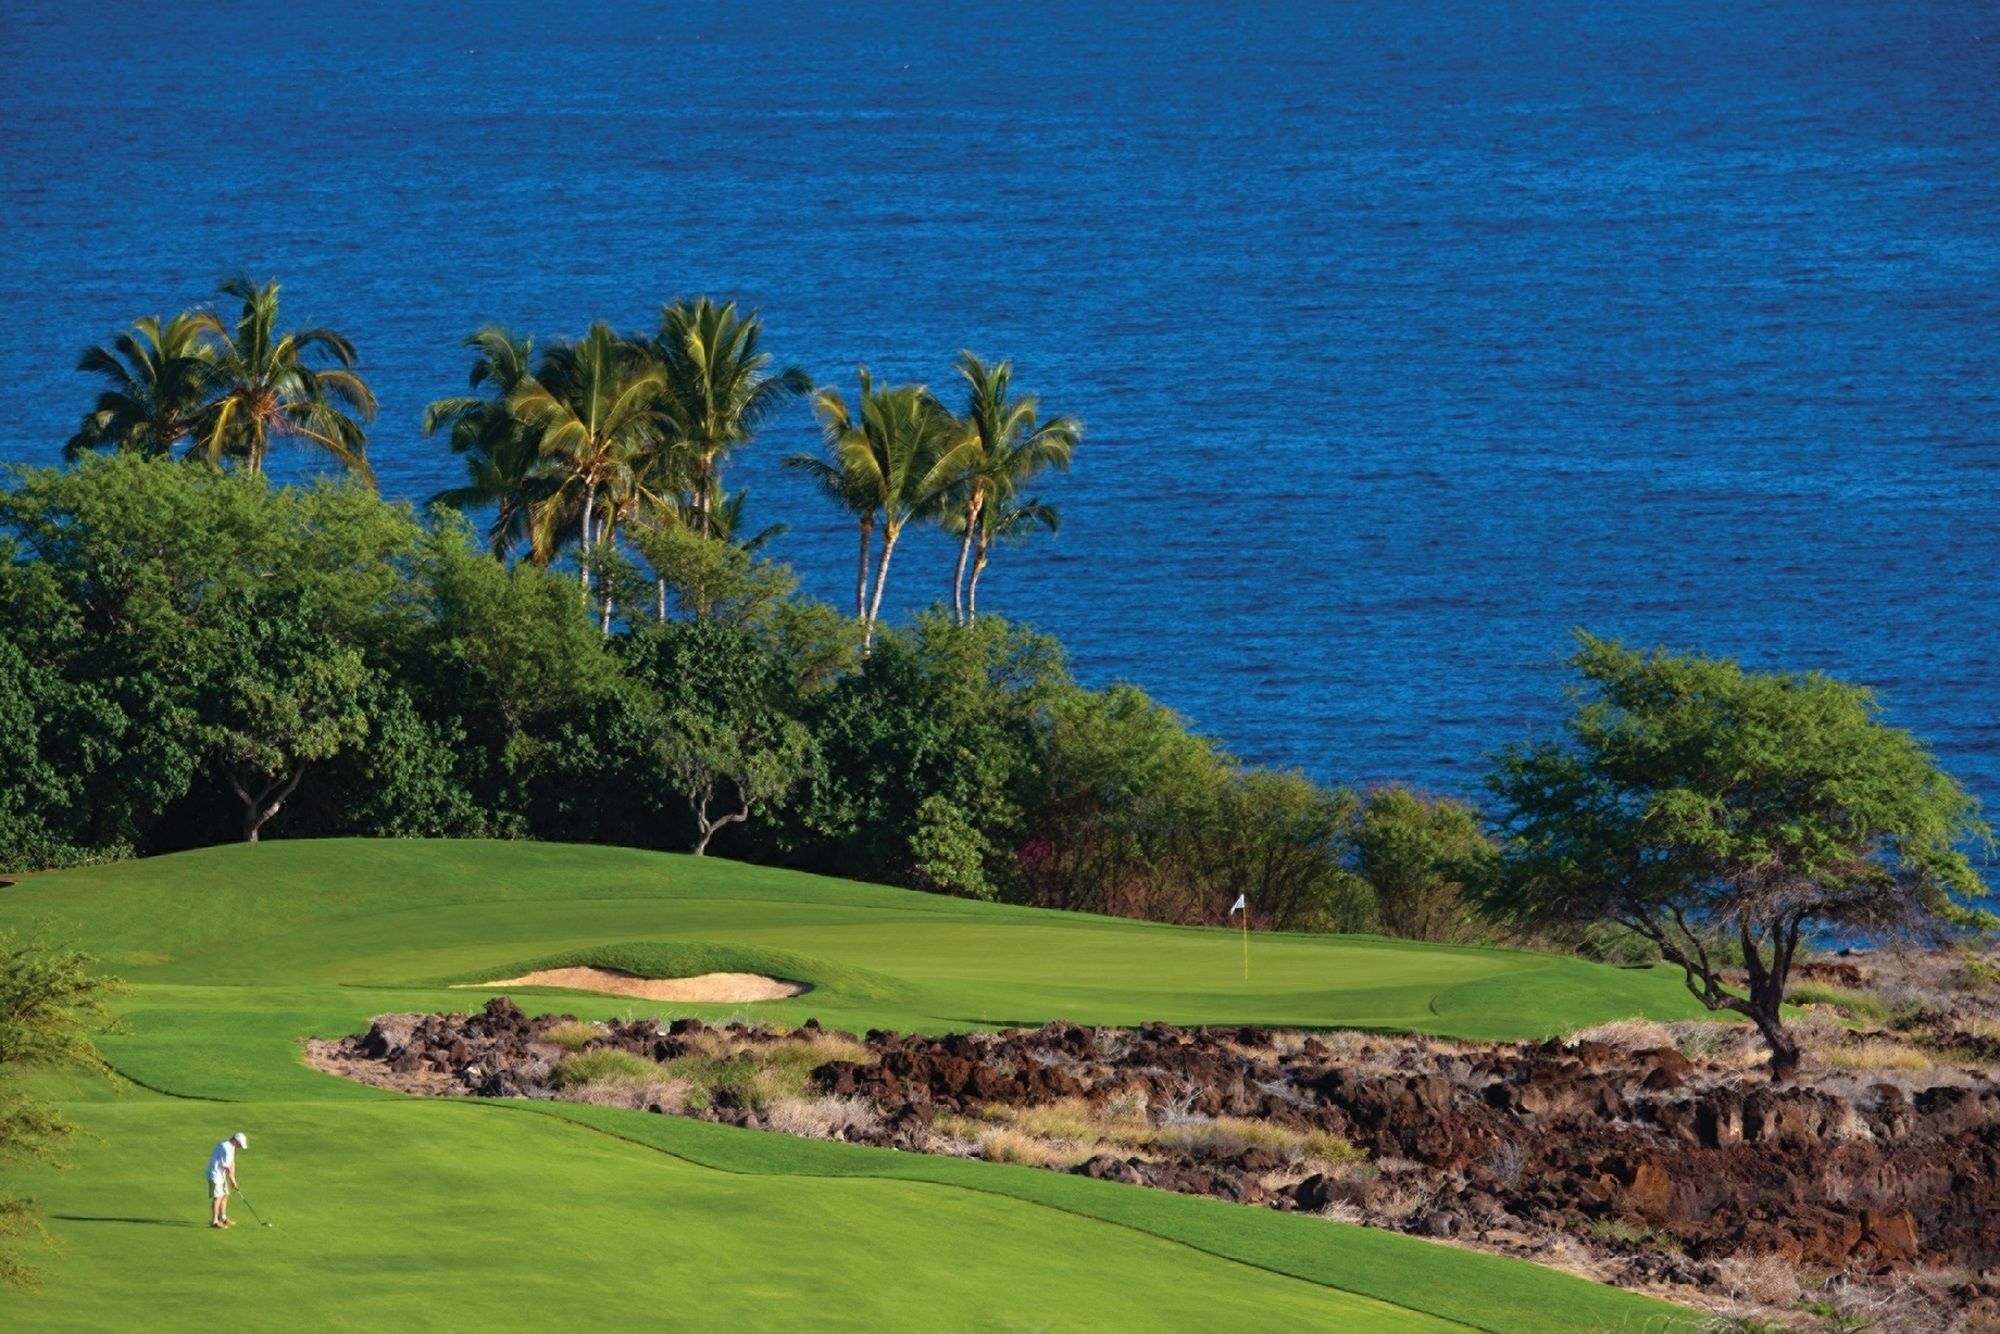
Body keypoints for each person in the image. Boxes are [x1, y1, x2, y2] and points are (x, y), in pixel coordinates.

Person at [206, 1132, 248, 1228]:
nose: (240, 1147)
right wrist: (232, 1181)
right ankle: (215, 1221)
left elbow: (232, 1163)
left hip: (221, 1174)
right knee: (218, 1197)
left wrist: (234, 1179)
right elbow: (227, 1168)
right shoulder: (225, 1147)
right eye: (240, 1145)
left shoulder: (231, 1146)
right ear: (236, 1141)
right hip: (215, 1174)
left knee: (225, 1195)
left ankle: (223, 1218)